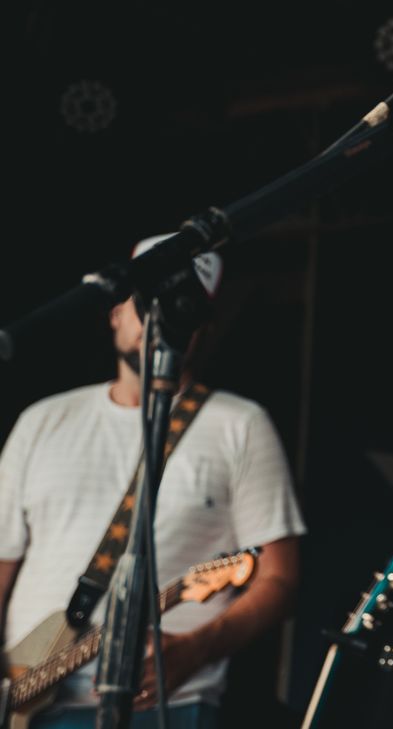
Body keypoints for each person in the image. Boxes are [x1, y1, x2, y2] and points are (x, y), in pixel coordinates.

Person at [0, 238, 306, 728]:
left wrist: (197, 647)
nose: (157, 320)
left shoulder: (240, 425)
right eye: (146, 303)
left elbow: (279, 579)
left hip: (167, 705)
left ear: (201, 328)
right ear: (115, 312)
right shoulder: (43, 420)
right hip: (25, 703)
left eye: (179, 307)